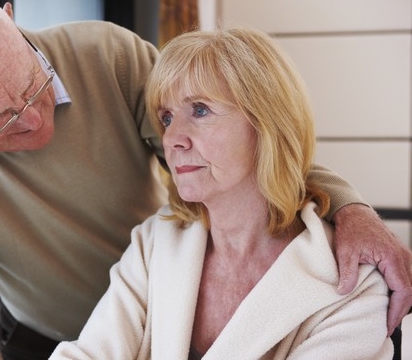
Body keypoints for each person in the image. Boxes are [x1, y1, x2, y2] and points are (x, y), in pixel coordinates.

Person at [0, 0, 410, 359]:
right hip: (46, 333)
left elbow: (244, 154)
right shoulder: (153, 250)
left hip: (153, 314)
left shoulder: (109, 56)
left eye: (33, 85)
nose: (36, 120)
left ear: (11, 18)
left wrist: (348, 206)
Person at [50, 27, 395, 359]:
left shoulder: (352, 282)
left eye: (199, 110)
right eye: (167, 117)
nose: (172, 138)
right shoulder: (154, 243)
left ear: (267, 124)